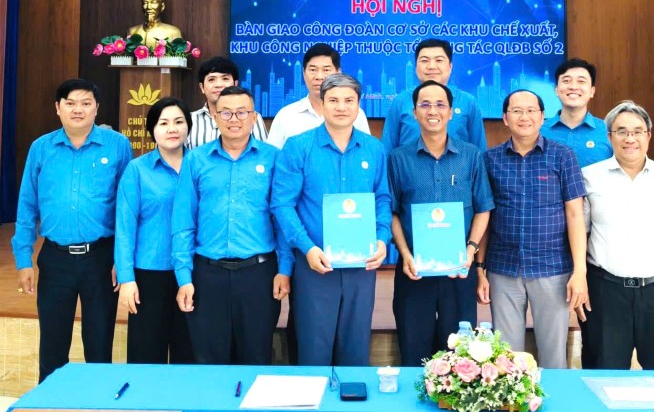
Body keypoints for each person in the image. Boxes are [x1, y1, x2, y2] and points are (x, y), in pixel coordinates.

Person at [11, 79, 133, 381]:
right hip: (55, 259)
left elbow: (127, 208)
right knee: (52, 345)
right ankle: (50, 403)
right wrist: (23, 259)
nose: (78, 109)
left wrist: (122, 259)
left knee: (99, 344)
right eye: (70, 103)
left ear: (97, 108)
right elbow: (27, 205)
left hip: (101, 260)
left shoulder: (118, 146)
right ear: (58, 108)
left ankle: (97, 403)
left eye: (86, 103)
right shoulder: (41, 148)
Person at [271, 74, 390, 366]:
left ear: (358, 106)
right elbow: (282, 204)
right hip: (315, 264)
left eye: (349, 100)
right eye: (333, 100)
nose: (341, 107)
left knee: (356, 349)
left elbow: (383, 199)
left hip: (362, 266)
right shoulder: (299, 146)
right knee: (314, 350)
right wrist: (307, 248)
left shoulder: (373, 148)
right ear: (321, 104)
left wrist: (382, 239)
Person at [172, 86, 290, 364]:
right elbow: (183, 222)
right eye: (226, 112)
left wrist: (284, 269)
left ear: (254, 116)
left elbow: (283, 220)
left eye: (242, 112)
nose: (234, 118)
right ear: (214, 115)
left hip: (259, 275)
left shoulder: (273, 158)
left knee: (256, 357)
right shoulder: (196, 160)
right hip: (207, 275)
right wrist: (184, 278)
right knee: (209, 360)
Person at [580, 100, 654, 370]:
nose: (629, 138)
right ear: (609, 136)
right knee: (604, 374)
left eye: (637, 131)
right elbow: (579, 235)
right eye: (621, 131)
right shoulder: (589, 178)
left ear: (648, 135)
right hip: (605, 292)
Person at [477, 89, 588, 369]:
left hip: (552, 268)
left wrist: (580, 271)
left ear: (542, 117)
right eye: (516, 111)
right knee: (506, 360)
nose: (523, 117)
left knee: (553, 357)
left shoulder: (563, 157)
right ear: (505, 118)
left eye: (530, 111)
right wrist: (480, 269)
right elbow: (485, 216)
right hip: (504, 268)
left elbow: (575, 214)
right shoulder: (490, 160)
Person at [388, 80, 494, 366]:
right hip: (414, 271)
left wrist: (471, 250)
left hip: (459, 272)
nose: (432, 110)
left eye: (440, 105)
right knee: (413, 351)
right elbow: (392, 212)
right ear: (414, 112)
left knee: (460, 357)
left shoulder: (471, 156)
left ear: (450, 113)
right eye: (425, 104)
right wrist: (405, 254)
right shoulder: (398, 159)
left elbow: (484, 207)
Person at [115, 97, 194, 364]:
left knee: (189, 352)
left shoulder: (201, 165)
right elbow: (125, 228)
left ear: (188, 127)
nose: (172, 129)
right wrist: (126, 279)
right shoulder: (137, 170)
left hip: (195, 273)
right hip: (149, 275)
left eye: (179, 122)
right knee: (146, 355)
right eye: (164, 123)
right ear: (152, 130)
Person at [382, 38, 487, 152]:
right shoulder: (400, 101)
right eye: (424, 60)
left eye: (439, 60)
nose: (431, 66)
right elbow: (387, 151)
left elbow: (479, 151)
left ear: (450, 67)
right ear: (416, 67)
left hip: (457, 170)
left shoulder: (468, 102)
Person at [267, 43, 371, 149]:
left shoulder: (355, 114)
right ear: (303, 73)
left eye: (326, 70)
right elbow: (272, 158)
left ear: (338, 72)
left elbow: (365, 152)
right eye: (313, 70)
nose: (319, 76)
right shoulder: (286, 116)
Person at [541, 58, 612, 167]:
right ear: (556, 90)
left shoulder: (608, 131)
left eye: (581, 81)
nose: (573, 87)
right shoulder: (538, 131)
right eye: (566, 81)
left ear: (592, 91)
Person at [187, 56, 268, 149]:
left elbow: (263, 154)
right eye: (211, 79)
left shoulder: (251, 117)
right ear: (202, 87)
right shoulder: (190, 120)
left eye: (225, 79)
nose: (218, 85)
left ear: (235, 84)